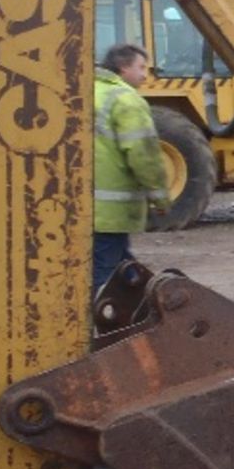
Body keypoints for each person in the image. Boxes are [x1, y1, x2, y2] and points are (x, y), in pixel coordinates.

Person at [93, 43, 171, 292]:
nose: (145, 74)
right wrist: (160, 198)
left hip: (83, 208)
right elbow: (143, 155)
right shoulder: (126, 100)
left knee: (124, 264)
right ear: (123, 67)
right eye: (141, 67)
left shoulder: (88, 90)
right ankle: (107, 326)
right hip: (110, 211)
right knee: (106, 275)